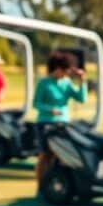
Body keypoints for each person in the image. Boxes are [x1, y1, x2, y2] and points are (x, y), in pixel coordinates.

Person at [32, 52, 86, 181]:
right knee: (45, 155)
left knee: (61, 154)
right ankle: (40, 184)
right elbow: (36, 103)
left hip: (63, 124)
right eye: (64, 70)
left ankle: (55, 181)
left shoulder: (66, 82)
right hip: (45, 123)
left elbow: (81, 98)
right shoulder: (44, 82)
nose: (66, 73)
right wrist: (50, 109)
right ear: (56, 68)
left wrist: (82, 81)